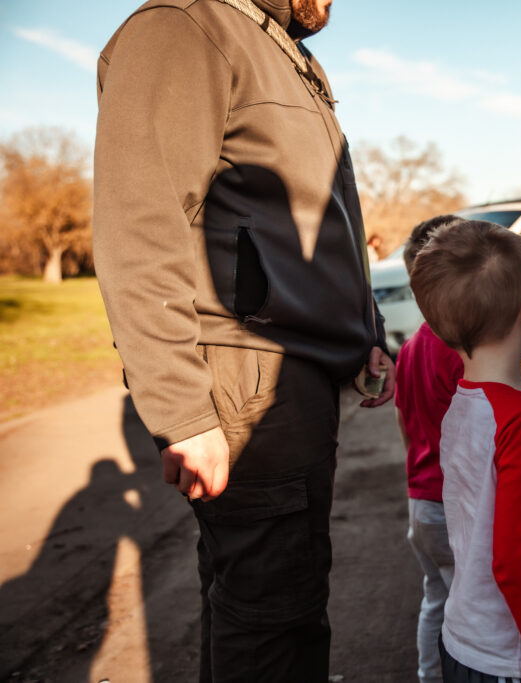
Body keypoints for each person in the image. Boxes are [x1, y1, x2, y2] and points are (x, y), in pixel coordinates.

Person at [92, 0, 395, 680]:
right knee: (273, 622)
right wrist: (182, 413)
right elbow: (139, 225)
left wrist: (364, 334)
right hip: (247, 383)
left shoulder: (285, 53)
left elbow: (318, 224)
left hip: (294, 378)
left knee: (271, 606)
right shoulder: (185, 26)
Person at [409, 220, 521, 683]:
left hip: (464, 643)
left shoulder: (463, 405)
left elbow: (492, 510)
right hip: (513, 661)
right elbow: (516, 561)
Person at [394, 215, 465, 683]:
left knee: (436, 597)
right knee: (470, 605)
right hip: (454, 504)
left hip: (421, 502)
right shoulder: (457, 351)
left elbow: (405, 426)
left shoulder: (410, 350)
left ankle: (428, 674)